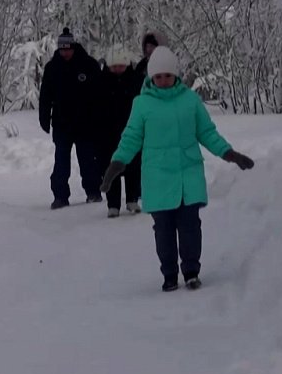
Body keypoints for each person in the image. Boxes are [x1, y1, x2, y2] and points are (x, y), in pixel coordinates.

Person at [100, 46, 254, 291]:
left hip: (187, 176)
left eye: (167, 76)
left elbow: (206, 132)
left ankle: (191, 271)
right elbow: (131, 138)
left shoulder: (190, 101)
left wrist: (229, 153)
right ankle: (169, 273)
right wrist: (116, 164)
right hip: (158, 178)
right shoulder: (142, 104)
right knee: (163, 230)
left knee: (191, 226)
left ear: (176, 76)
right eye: (158, 77)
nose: (162, 81)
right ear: (151, 77)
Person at [38, 27, 104, 209]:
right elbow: (45, 96)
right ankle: (60, 196)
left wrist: (99, 118)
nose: (65, 52)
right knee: (61, 162)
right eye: (62, 49)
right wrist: (44, 118)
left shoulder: (88, 64)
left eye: (68, 49)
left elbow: (99, 94)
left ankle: (93, 192)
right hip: (61, 124)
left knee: (88, 160)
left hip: (85, 124)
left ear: (74, 47)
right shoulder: (52, 68)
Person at [98, 47, 144, 218]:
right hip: (107, 132)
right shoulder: (101, 81)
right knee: (111, 167)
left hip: (131, 130)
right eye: (114, 66)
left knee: (133, 166)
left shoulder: (136, 80)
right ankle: (113, 204)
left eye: (121, 66)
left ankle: (132, 199)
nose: (118, 69)